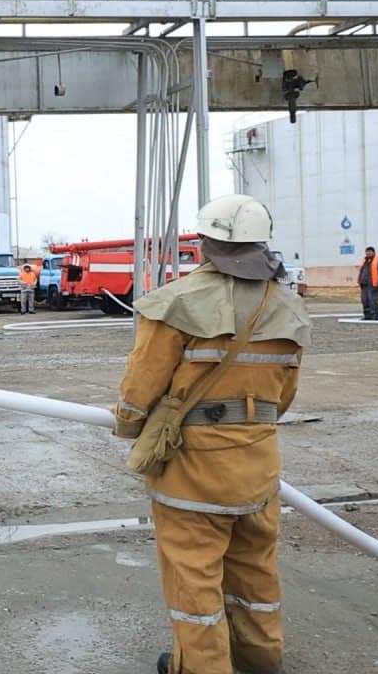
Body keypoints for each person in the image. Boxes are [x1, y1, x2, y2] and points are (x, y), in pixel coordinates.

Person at [112, 194, 311, 674]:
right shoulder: (289, 308)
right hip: (257, 467)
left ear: (206, 243)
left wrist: (128, 424)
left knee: (194, 578)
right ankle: (260, 658)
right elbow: (283, 398)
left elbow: (141, 387)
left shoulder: (178, 302)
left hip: (193, 471)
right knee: (255, 571)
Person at [358, 246, 378, 321]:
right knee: (365, 300)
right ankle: (367, 315)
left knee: (373, 301)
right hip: (365, 285)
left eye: (370, 251)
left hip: (375, 285)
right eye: (367, 252)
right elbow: (361, 272)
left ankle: (375, 315)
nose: (368, 253)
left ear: (374, 252)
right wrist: (360, 281)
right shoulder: (365, 261)